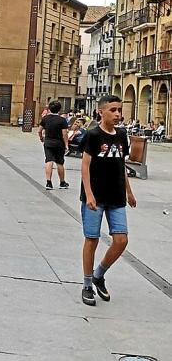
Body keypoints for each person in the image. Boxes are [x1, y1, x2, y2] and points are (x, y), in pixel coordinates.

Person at [80, 95, 137, 306]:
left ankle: (99, 274)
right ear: (101, 111)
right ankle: (87, 285)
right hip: (95, 197)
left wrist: (129, 192)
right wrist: (89, 194)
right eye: (113, 110)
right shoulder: (93, 135)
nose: (118, 114)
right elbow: (85, 166)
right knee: (92, 239)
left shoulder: (122, 135)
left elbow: (121, 165)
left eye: (120, 110)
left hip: (116, 196)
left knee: (121, 240)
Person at [37, 100, 69, 190]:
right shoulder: (62, 120)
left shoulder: (45, 119)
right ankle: (62, 182)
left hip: (48, 142)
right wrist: (66, 144)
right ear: (59, 109)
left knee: (49, 161)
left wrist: (41, 138)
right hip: (59, 144)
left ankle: (48, 182)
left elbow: (39, 131)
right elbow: (65, 134)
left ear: (50, 109)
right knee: (59, 162)